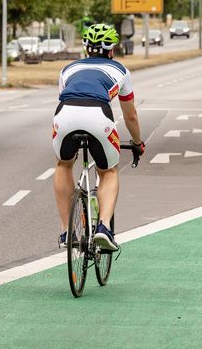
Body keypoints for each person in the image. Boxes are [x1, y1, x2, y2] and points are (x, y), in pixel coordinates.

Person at [52, 23, 145, 251]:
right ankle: (103, 228)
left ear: (86, 48)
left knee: (63, 165)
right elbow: (130, 116)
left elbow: (65, 97)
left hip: (64, 115)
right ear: (112, 49)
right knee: (109, 171)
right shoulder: (121, 70)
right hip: (98, 116)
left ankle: (66, 232)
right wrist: (137, 143)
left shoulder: (67, 70)